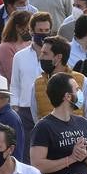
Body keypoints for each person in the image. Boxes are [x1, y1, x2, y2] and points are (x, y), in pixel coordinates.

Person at [9, 11, 53, 159]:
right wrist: (14, 107)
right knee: (27, 152)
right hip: (25, 111)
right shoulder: (19, 56)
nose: (44, 34)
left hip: (48, 108)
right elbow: (14, 84)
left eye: (47, 31)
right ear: (31, 31)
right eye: (40, 31)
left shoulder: (56, 56)